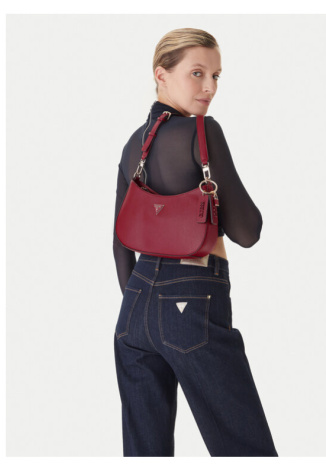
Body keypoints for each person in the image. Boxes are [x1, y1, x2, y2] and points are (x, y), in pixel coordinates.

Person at [112, 28, 278, 457]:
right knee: (246, 450)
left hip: (132, 312)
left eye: (217, 76)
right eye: (198, 73)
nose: (210, 87)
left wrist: (143, 307)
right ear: (161, 75)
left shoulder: (132, 145)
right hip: (192, 300)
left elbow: (120, 243)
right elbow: (248, 232)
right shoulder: (202, 132)